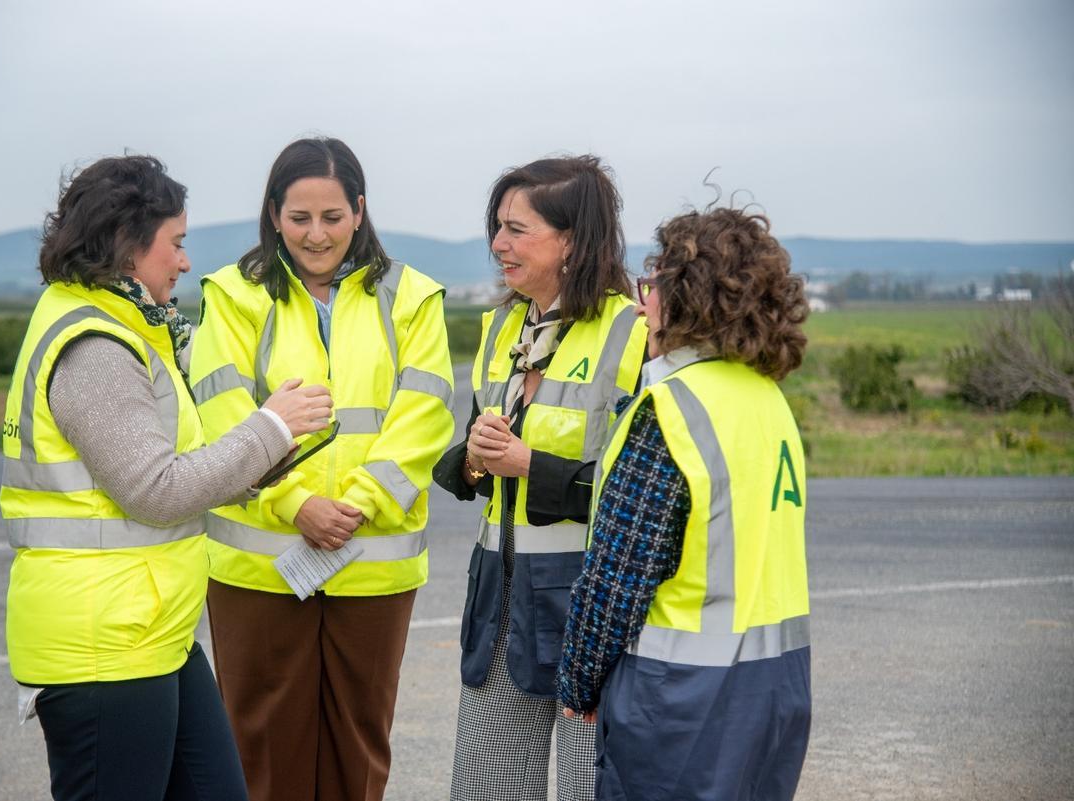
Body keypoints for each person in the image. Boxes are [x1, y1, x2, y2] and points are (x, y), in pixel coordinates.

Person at [1, 154, 334, 801]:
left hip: (154, 636)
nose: (185, 261)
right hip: (105, 649)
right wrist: (268, 427)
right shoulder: (94, 345)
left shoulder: (130, 324)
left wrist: (266, 457)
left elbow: (177, 469)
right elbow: (154, 489)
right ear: (128, 244)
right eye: (176, 243)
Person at [187, 137, 454, 801]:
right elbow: (222, 415)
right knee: (261, 750)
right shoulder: (233, 296)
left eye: (332, 217)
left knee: (357, 749)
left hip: (372, 562)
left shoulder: (413, 298)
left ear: (360, 211)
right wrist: (294, 503)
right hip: (260, 566)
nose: (316, 234)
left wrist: (359, 503)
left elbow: (425, 415)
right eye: (299, 217)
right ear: (273, 214)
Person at [555, 206, 812, 801]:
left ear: (681, 296)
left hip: (679, 705)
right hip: (777, 694)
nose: (643, 303)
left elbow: (616, 581)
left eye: (652, 286)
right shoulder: (770, 404)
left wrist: (578, 685)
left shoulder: (670, 411)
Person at [432, 155, 649, 801]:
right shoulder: (502, 326)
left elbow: (640, 496)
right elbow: (472, 463)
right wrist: (474, 456)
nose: (498, 244)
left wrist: (529, 465)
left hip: (593, 607)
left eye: (516, 229)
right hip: (501, 603)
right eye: (497, 227)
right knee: (485, 787)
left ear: (573, 240)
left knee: (594, 787)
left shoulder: (631, 332)